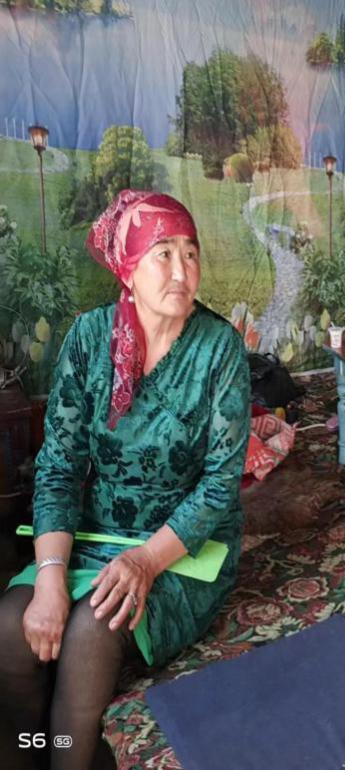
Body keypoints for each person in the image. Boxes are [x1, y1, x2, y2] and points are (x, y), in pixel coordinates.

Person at [0, 191, 251, 770]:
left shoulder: (218, 349)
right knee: (12, 627)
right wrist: (50, 577)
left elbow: (219, 487)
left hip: (182, 547)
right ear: (128, 269)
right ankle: (35, 752)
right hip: (96, 528)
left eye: (191, 254)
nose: (182, 271)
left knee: (93, 629)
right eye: (163, 254)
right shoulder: (89, 339)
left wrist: (144, 561)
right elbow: (59, 466)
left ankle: (69, 757)